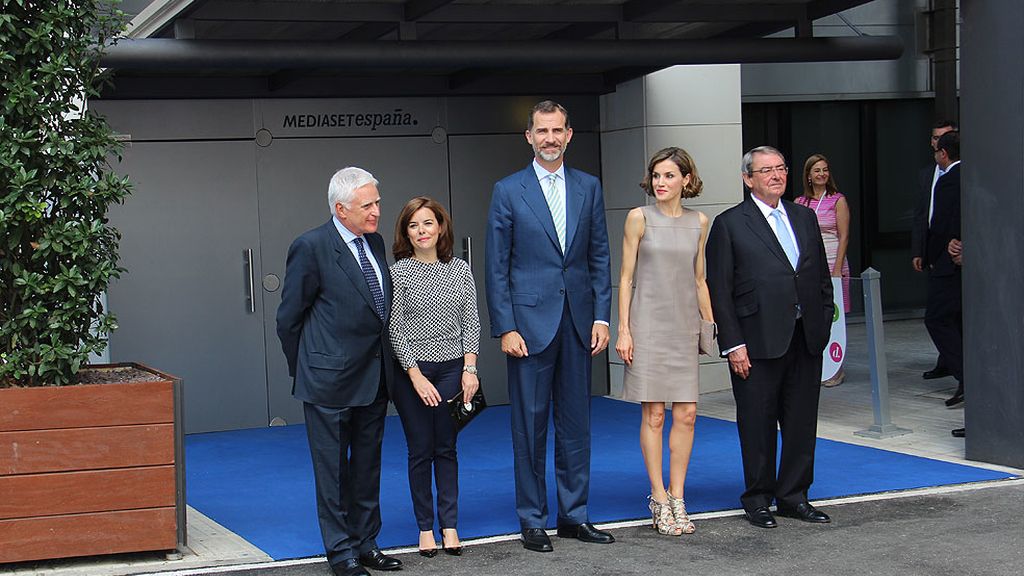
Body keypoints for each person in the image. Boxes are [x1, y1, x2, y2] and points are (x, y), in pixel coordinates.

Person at [485, 100, 614, 552]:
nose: (550, 138)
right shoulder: (508, 190)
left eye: (557, 130)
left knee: (577, 425)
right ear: (529, 137)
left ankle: (574, 515)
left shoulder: (589, 187)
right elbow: (496, 267)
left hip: (579, 324)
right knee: (530, 427)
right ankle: (533, 519)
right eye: (542, 131)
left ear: (569, 134)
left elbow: (599, 256)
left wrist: (602, 315)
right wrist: (505, 327)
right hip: (528, 328)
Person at [276, 167, 402, 576]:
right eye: (368, 205)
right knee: (331, 472)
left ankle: (367, 542)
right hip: (327, 381)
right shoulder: (311, 247)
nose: (377, 212)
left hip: (373, 378)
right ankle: (340, 551)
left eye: (378, 203)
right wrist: (307, 368)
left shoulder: (376, 242)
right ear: (340, 209)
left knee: (367, 467)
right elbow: (288, 318)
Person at [706, 146, 834, 530]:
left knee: (800, 421)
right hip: (755, 340)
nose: (776, 175)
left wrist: (823, 322)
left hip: (804, 336)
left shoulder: (804, 217)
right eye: (766, 171)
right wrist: (733, 343)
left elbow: (819, 278)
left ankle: (794, 496)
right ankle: (758, 498)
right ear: (748, 178)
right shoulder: (730, 223)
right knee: (757, 422)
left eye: (781, 168)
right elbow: (719, 288)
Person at [614, 147, 713, 536]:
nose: (661, 183)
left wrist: (710, 327)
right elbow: (625, 278)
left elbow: (700, 278)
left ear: (686, 180)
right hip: (648, 326)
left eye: (669, 176)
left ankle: (678, 496)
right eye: (656, 176)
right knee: (654, 414)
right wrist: (624, 329)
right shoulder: (639, 218)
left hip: (684, 325)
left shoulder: (699, 222)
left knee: (686, 414)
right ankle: (657, 497)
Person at [388, 196, 481, 557]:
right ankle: (425, 528)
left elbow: (470, 320)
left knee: (446, 448)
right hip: (413, 373)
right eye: (413, 225)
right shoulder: (398, 272)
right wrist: (415, 376)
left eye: (427, 223)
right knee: (419, 450)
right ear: (405, 233)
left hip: (453, 370)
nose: (421, 231)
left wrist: (470, 370)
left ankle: (450, 525)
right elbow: (395, 328)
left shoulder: (459, 269)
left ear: (440, 227)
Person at [796, 153, 851, 387]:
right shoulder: (800, 203)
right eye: (817, 170)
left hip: (832, 261)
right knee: (812, 317)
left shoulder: (837, 200)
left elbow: (844, 235)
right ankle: (816, 366)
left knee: (835, 316)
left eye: (825, 170)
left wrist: (837, 268)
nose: (822, 174)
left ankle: (836, 368)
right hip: (810, 265)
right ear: (808, 175)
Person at [911, 120, 958, 383]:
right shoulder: (926, 174)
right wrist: (920, 250)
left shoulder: (960, 174)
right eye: (935, 138)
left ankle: (959, 366)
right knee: (939, 309)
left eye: (944, 138)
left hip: (952, 253)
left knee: (946, 314)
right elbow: (921, 215)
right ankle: (946, 361)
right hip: (933, 252)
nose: (938, 143)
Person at [924, 131, 963, 411]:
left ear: (944, 153)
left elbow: (939, 224)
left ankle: (966, 375)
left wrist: (929, 256)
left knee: (937, 318)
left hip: (949, 265)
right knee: (958, 320)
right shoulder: (977, 175)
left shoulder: (949, 180)